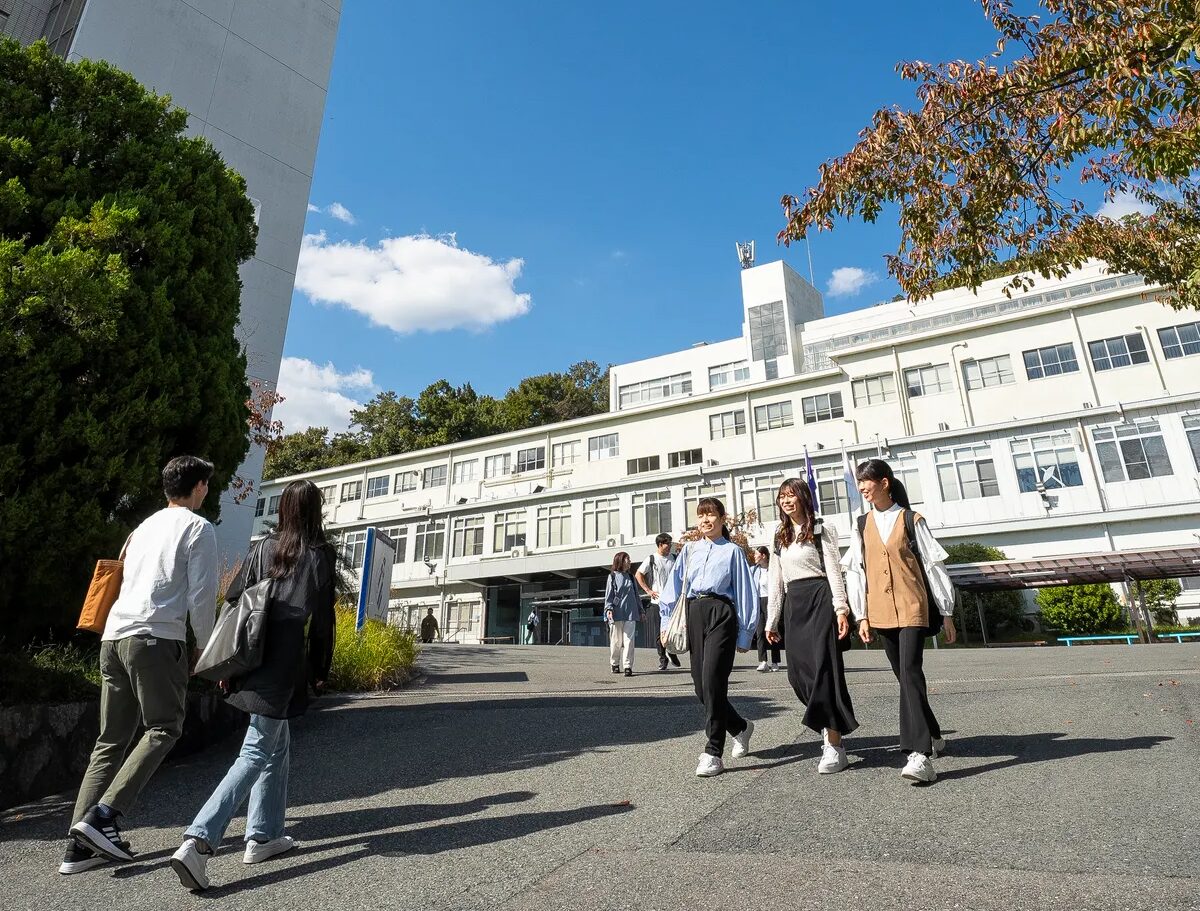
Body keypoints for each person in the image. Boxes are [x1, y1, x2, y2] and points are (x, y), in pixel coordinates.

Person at [171, 479, 336, 891]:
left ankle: (263, 835)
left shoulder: (262, 547)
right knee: (256, 749)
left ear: (283, 510)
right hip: (282, 663)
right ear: (315, 511)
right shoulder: (319, 556)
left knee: (276, 743)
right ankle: (199, 841)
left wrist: (226, 663)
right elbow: (323, 622)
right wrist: (320, 670)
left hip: (249, 655)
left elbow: (233, 601)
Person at [62, 456, 217, 875]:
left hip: (113, 638)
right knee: (164, 727)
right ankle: (105, 816)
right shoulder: (199, 528)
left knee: (110, 739)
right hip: (155, 639)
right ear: (199, 486)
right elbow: (200, 597)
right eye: (206, 485)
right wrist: (206, 647)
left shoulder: (141, 528)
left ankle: (78, 846)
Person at [844, 458, 957, 784]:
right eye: (860, 481)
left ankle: (919, 755)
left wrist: (946, 612)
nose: (863, 487)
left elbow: (935, 567)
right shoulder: (861, 524)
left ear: (884, 483)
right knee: (905, 677)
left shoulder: (911, 519)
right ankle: (934, 734)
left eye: (867, 480)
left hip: (912, 607)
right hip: (880, 611)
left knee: (909, 671)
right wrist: (861, 615)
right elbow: (856, 572)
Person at [765, 478, 858, 775]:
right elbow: (775, 581)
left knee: (824, 671)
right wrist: (772, 620)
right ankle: (827, 724)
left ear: (804, 498)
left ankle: (834, 745)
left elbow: (834, 571)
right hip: (795, 605)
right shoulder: (779, 535)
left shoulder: (821, 529)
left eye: (791, 495)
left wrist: (841, 609)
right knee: (797, 675)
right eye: (782, 497)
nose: (786, 501)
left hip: (820, 598)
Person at [659, 498, 758, 777]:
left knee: (714, 680)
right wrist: (665, 623)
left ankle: (713, 751)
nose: (705, 520)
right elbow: (672, 589)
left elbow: (745, 592)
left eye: (711, 514)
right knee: (702, 689)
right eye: (701, 515)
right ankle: (740, 726)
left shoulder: (733, 552)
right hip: (693, 613)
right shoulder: (689, 550)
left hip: (721, 614)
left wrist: (745, 634)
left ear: (722, 518)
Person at [635, 533, 680, 671]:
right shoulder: (652, 559)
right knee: (659, 632)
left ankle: (671, 652)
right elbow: (638, 574)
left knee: (674, 629)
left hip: (673, 601)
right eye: (668, 544)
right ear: (660, 544)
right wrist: (648, 590)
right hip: (657, 601)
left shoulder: (674, 558)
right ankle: (663, 658)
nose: (670, 546)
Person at [605, 552, 643, 676]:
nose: (630, 562)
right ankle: (614, 663)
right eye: (627, 559)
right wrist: (609, 608)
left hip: (631, 612)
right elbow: (609, 595)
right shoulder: (612, 576)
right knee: (616, 641)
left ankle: (627, 666)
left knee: (629, 640)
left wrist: (641, 610)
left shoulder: (631, 577)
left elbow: (636, 596)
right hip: (616, 612)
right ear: (620, 561)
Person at [751, 546, 782, 672]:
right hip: (759, 601)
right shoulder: (753, 570)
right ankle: (763, 661)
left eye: (756, 554)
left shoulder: (773, 569)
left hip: (771, 600)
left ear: (763, 556)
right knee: (760, 632)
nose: (754, 556)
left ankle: (775, 662)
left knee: (773, 630)